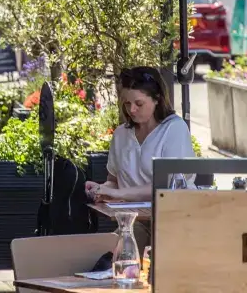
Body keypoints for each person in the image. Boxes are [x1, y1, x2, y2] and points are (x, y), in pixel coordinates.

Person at [84, 66, 196, 252]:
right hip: (133, 220)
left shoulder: (174, 129)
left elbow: (168, 187)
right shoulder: (121, 134)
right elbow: (114, 181)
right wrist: (101, 190)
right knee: (117, 247)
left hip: (172, 219)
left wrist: (119, 194)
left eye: (139, 103)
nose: (132, 110)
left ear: (157, 99)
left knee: (125, 246)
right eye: (127, 104)